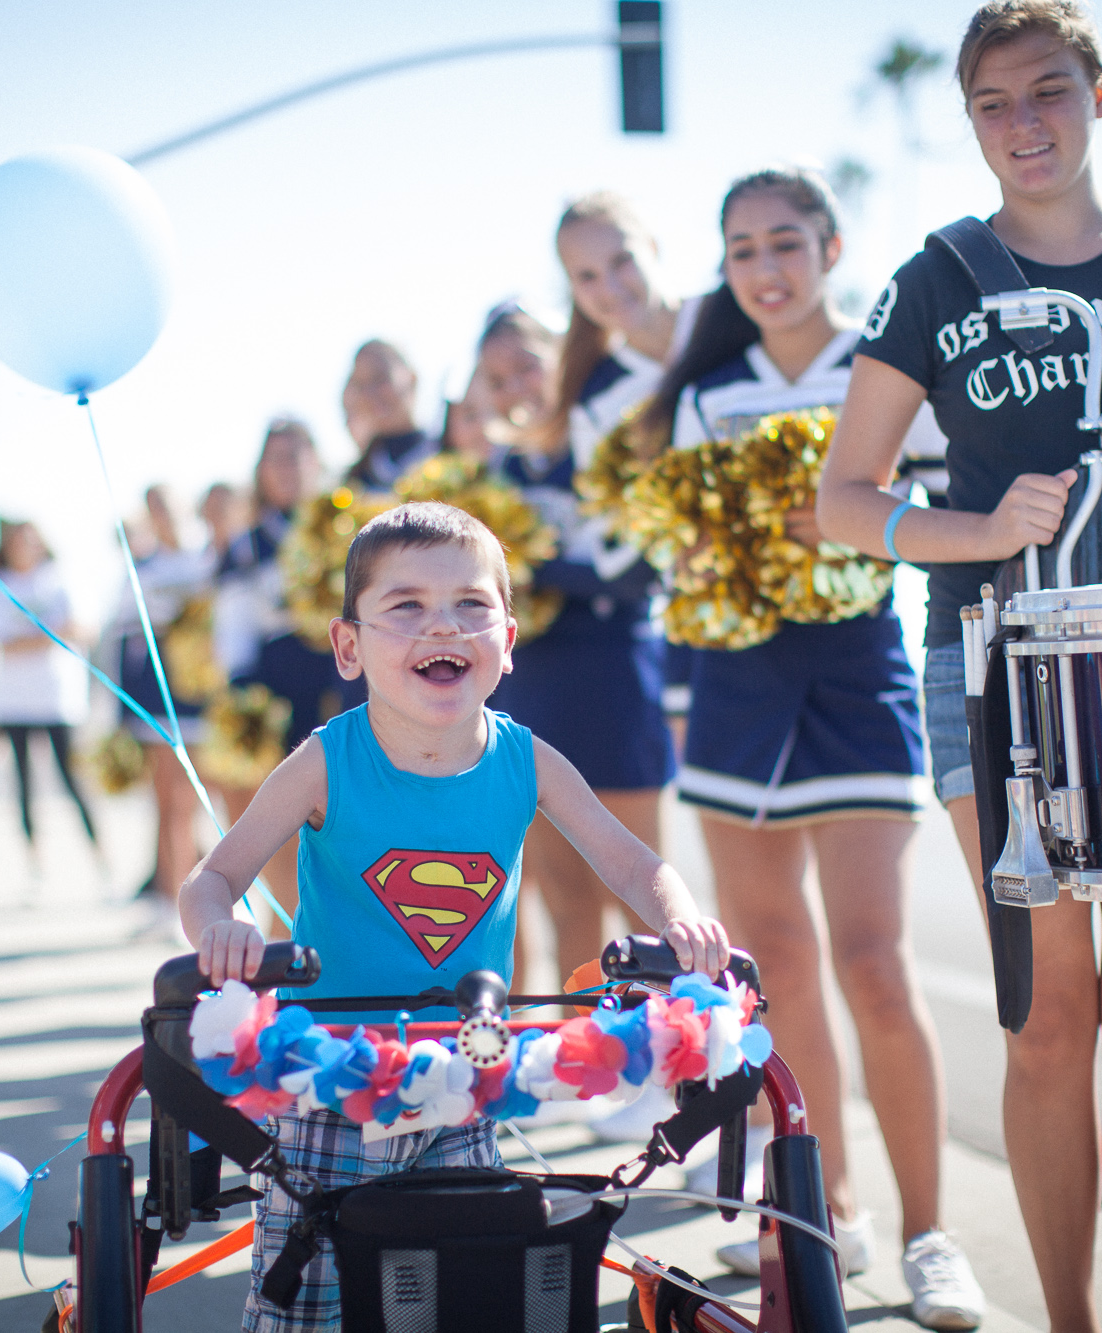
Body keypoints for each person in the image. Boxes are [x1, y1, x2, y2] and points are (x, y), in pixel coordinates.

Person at [816, 6, 1102, 1330]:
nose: (1023, 124)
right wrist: (975, 529)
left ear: (1098, 93)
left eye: (1048, 92)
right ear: (971, 121)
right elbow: (843, 499)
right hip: (994, 677)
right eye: (993, 103)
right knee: (1046, 1019)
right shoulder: (936, 279)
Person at [180, 502, 731, 1333]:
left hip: (468, 1072)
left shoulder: (525, 758)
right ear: (348, 647)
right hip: (333, 1077)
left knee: (464, 1282)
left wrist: (681, 920)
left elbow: (632, 861)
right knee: (308, 1299)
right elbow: (212, 877)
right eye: (407, 605)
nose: (442, 624)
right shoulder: (326, 760)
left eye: (470, 604)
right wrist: (224, 930)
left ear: (506, 641)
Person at [636, 164, 981, 1325]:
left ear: (830, 248)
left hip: (854, 674)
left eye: (784, 242)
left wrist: (844, 521)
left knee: (874, 959)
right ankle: (824, 1210)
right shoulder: (706, 393)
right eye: (740, 251)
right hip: (733, 684)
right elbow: (676, 552)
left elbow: (944, 517)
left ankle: (930, 1232)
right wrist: (703, 552)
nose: (764, 269)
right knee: (772, 966)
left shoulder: (886, 369)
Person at [482, 305, 672, 995]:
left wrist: (541, 570)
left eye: (527, 366)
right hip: (531, 683)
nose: (515, 388)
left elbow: (646, 569)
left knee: (641, 891)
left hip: (613, 674)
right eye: (496, 379)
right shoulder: (497, 471)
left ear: (560, 357)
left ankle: (669, 1041)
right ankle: (584, 1042)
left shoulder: (605, 441)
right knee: (564, 895)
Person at [550, 192, 704, 729]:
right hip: (699, 630)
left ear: (653, 247)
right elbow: (612, 541)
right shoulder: (596, 400)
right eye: (587, 276)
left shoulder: (727, 318)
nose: (610, 287)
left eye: (622, 261)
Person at [210, 420, 348, 923]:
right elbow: (233, 631)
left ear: (317, 461)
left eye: (296, 455)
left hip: (346, 685)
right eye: (276, 459)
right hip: (278, 694)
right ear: (260, 471)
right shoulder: (247, 545)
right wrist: (245, 700)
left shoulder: (348, 526)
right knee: (287, 832)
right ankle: (288, 942)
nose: (287, 469)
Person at [114, 488, 222, 906]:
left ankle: (212, 895)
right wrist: (124, 711)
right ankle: (171, 898)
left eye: (168, 505)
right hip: (159, 699)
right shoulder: (141, 568)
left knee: (210, 801)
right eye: (154, 508)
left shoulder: (209, 560)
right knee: (169, 803)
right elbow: (126, 641)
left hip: (206, 698)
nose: (164, 515)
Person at [0, 519, 103, 885]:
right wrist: (52, 635)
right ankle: (35, 867)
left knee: (74, 781)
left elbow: (85, 630)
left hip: (59, 702)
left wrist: (42, 638)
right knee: (24, 787)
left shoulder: (60, 579)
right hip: (15, 703)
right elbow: (2, 645)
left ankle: (102, 862)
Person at [339, 340, 436, 490]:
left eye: (379, 378)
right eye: (360, 385)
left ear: (411, 378)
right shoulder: (354, 483)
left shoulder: (445, 455)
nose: (370, 393)